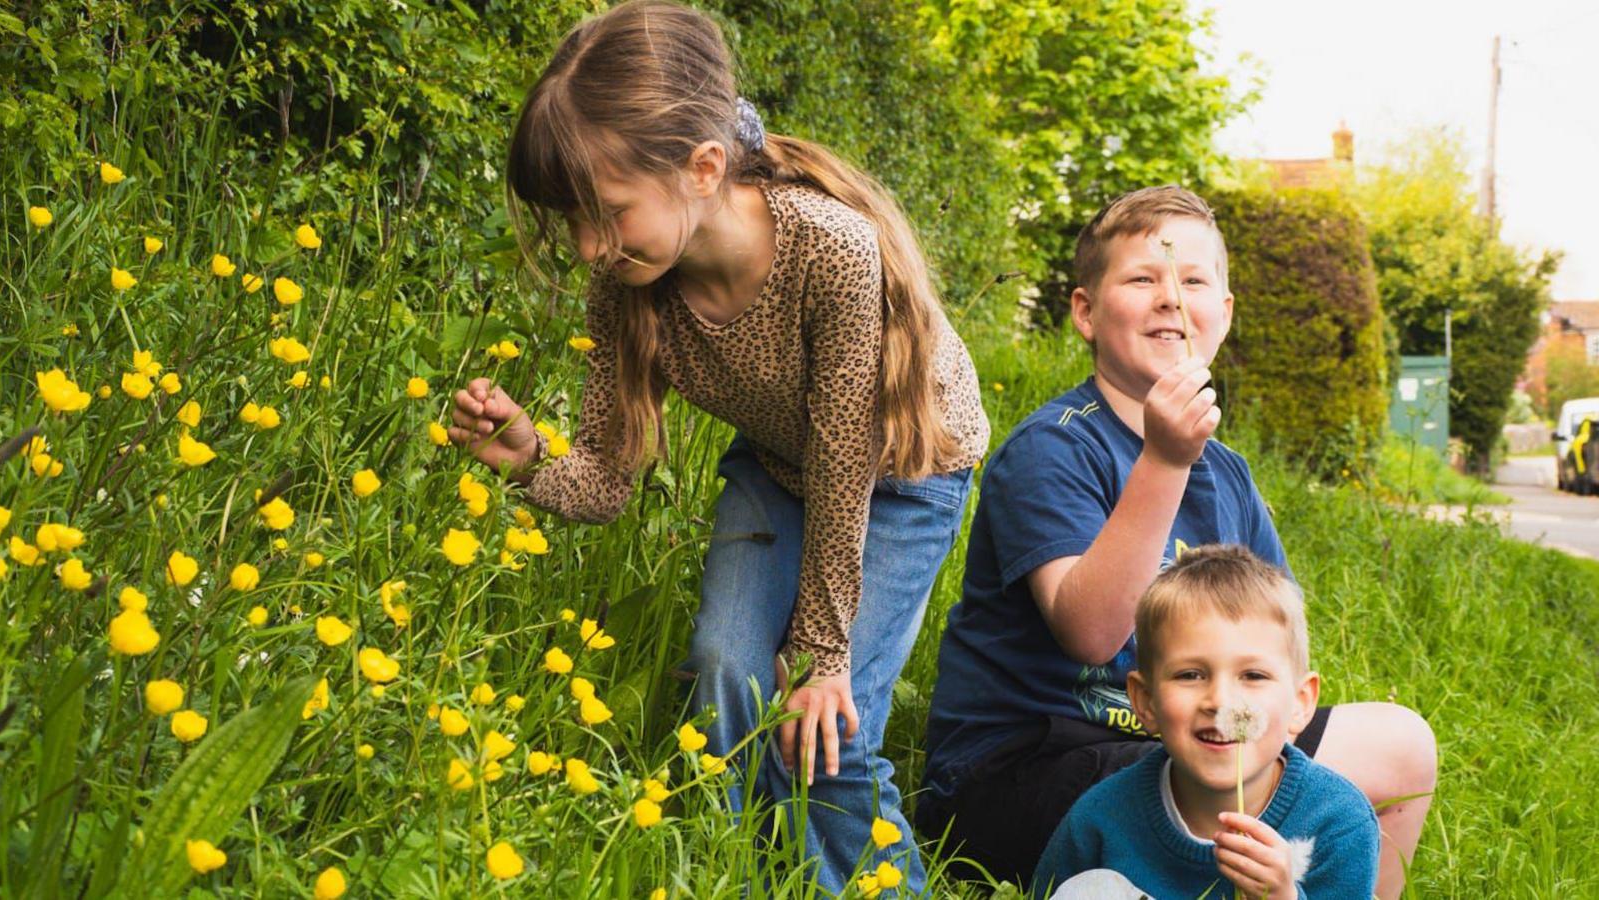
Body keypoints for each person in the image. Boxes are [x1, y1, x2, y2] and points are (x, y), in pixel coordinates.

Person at [447, 1, 989, 892]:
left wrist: (820, 656)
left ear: (702, 169)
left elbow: (847, 460)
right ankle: (729, 871)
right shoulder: (627, 285)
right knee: (723, 670)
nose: (588, 247)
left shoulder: (833, 249)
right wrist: (530, 457)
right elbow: (608, 483)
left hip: (902, 478)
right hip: (778, 466)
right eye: (573, 222)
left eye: (608, 213)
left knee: (828, 732)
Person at [917, 186, 1435, 898]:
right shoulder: (1053, 449)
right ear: (1085, 313)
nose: (1170, 296)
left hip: (1181, 737)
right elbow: (1093, 633)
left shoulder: (1228, 474)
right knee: (1199, 791)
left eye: (1193, 281)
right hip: (1029, 764)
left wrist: (1277, 753)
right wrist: (1164, 459)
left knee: (1403, 747)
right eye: (1141, 278)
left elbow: (1274, 644)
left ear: (1221, 314)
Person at [1030, 544, 1379, 899]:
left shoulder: (1338, 822)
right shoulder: (1102, 818)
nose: (1221, 701)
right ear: (1145, 701)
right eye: (1191, 674)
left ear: (1300, 702)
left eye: (1254, 675)